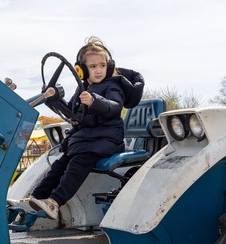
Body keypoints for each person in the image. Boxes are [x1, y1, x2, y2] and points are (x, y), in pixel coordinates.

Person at [29, 36, 144, 220]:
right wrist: (55, 101)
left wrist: (94, 101)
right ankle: (35, 198)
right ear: (81, 70)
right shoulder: (82, 89)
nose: (98, 70)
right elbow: (73, 114)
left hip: (106, 141)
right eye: (92, 67)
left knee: (78, 163)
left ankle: (54, 203)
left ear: (109, 66)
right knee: (60, 165)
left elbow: (113, 107)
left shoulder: (113, 86)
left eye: (102, 65)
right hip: (87, 141)